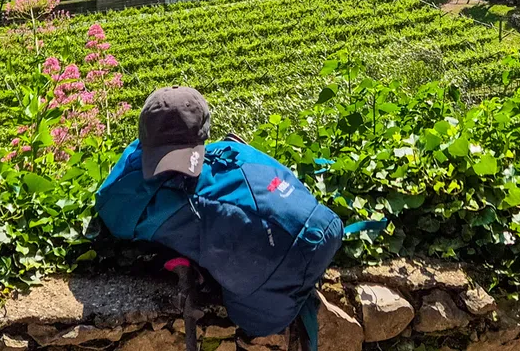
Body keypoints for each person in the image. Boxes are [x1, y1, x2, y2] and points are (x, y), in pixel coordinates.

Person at [96, 87, 344, 345]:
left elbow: (112, 215)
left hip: (289, 263)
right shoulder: (234, 150)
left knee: (251, 321)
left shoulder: (154, 202)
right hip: (326, 227)